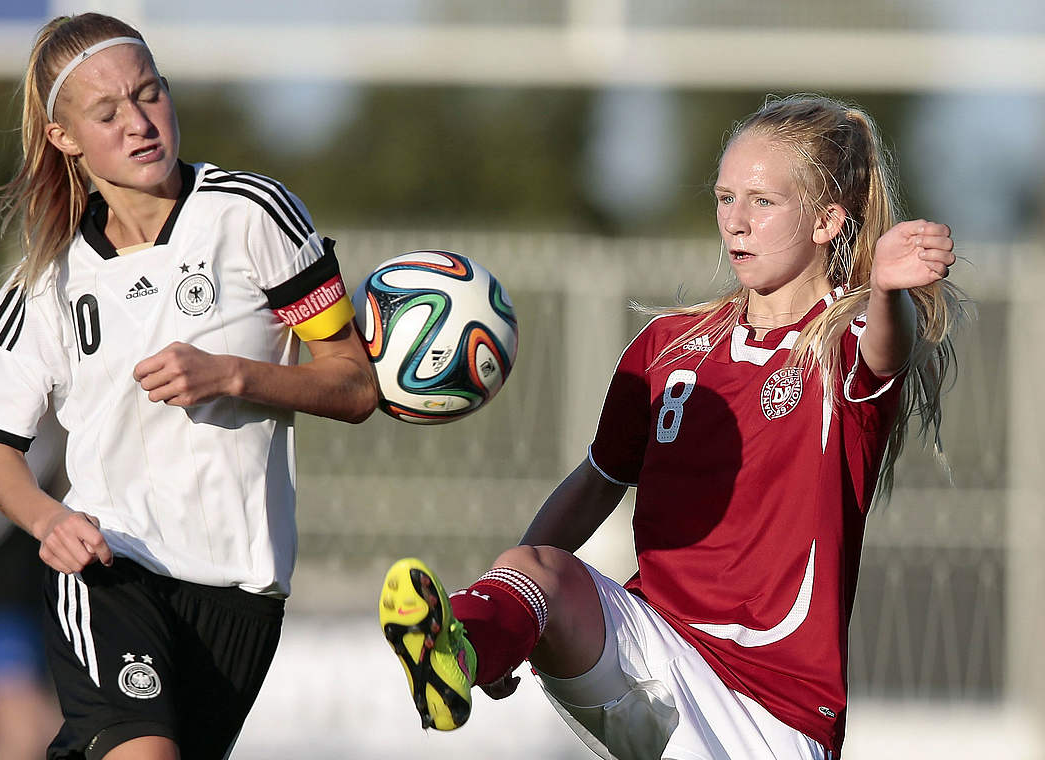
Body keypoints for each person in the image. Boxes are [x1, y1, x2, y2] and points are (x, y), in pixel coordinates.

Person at [378, 94, 965, 760]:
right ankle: (463, 644)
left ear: (829, 220)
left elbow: (886, 350)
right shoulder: (668, 346)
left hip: (769, 710)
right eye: (724, 198)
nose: (735, 222)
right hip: (648, 645)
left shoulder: (839, 344)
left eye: (762, 203)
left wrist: (889, 290)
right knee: (535, 570)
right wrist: (511, 621)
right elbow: (596, 483)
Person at [0, 13, 377, 760]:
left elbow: (354, 383)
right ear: (63, 137)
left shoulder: (254, 214)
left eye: (149, 95)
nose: (139, 123)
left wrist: (234, 375)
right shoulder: (46, 278)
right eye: (107, 113)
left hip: (243, 593)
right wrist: (49, 521)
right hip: (112, 570)